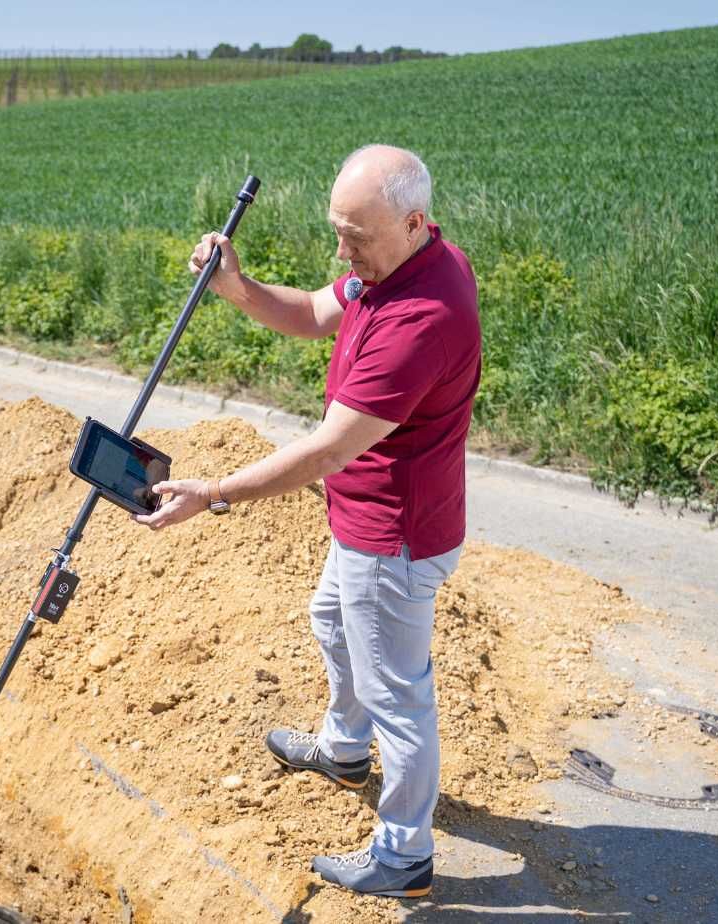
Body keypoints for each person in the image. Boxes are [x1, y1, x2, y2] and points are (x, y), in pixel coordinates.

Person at [132, 144, 482, 899]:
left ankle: (404, 856)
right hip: (366, 519)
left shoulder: (423, 316)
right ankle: (344, 749)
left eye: (356, 236)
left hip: (395, 535)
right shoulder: (395, 261)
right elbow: (318, 311)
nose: (342, 251)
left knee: (399, 692)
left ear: (415, 222)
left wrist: (215, 493)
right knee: (331, 618)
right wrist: (236, 286)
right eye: (338, 230)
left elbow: (324, 451)